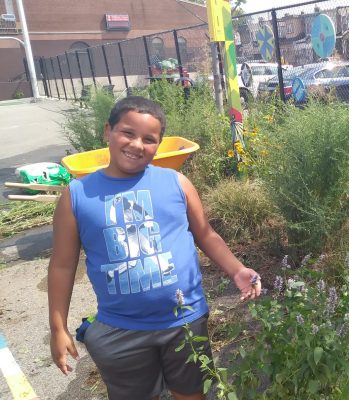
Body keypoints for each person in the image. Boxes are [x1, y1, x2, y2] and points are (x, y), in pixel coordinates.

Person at [48, 96, 262, 400]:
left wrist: (237, 270)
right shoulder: (77, 196)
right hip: (120, 330)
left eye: (149, 139)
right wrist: (58, 327)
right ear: (107, 131)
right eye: (127, 133)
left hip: (185, 321)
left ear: (159, 145)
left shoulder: (176, 183)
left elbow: (205, 234)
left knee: (192, 394)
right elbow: (62, 265)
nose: (137, 144)